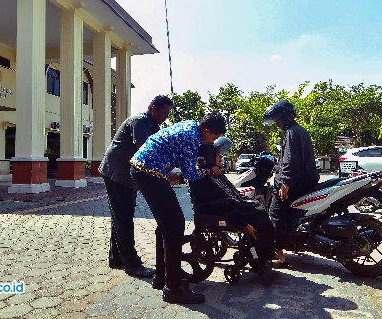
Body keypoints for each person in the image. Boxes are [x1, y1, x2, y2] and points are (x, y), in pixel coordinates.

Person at [130, 112, 226, 304]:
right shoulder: (193, 137)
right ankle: (173, 288)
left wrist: (169, 171)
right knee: (175, 224)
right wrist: (211, 170)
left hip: (147, 169)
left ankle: (162, 276)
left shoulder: (190, 126)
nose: (212, 142)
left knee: (166, 225)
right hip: (149, 172)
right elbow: (191, 173)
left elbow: (167, 151)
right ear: (206, 130)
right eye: (213, 137)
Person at [99, 95, 173, 278]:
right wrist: (165, 170)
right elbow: (144, 149)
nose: (165, 117)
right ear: (154, 107)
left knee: (122, 216)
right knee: (124, 218)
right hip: (117, 173)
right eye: (164, 112)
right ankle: (132, 264)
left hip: (128, 175)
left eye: (167, 114)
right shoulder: (140, 121)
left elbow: (160, 149)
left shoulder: (155, 126)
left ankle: (116, 258)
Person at [189, 138, 276, 267]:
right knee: (261, 220)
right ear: (209, 157)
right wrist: (244, 224)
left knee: (261, 212)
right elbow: (221, 203)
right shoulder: (204, 177)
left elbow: (231, 193)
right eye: (218, 155)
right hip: (226, 210)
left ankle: (261, 255)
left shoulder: (216, 172)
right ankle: (260, 259)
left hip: (232, 206)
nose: (221, 157)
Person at [262, 100, 319, 268]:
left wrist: (285, 183)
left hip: (295, 183)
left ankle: (279, 255)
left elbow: (290, 160)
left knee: (275, 213)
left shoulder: (291, 133)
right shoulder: (300, 131)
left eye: (277, 119)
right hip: (305, 180)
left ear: (284, 117)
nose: (277, 123)